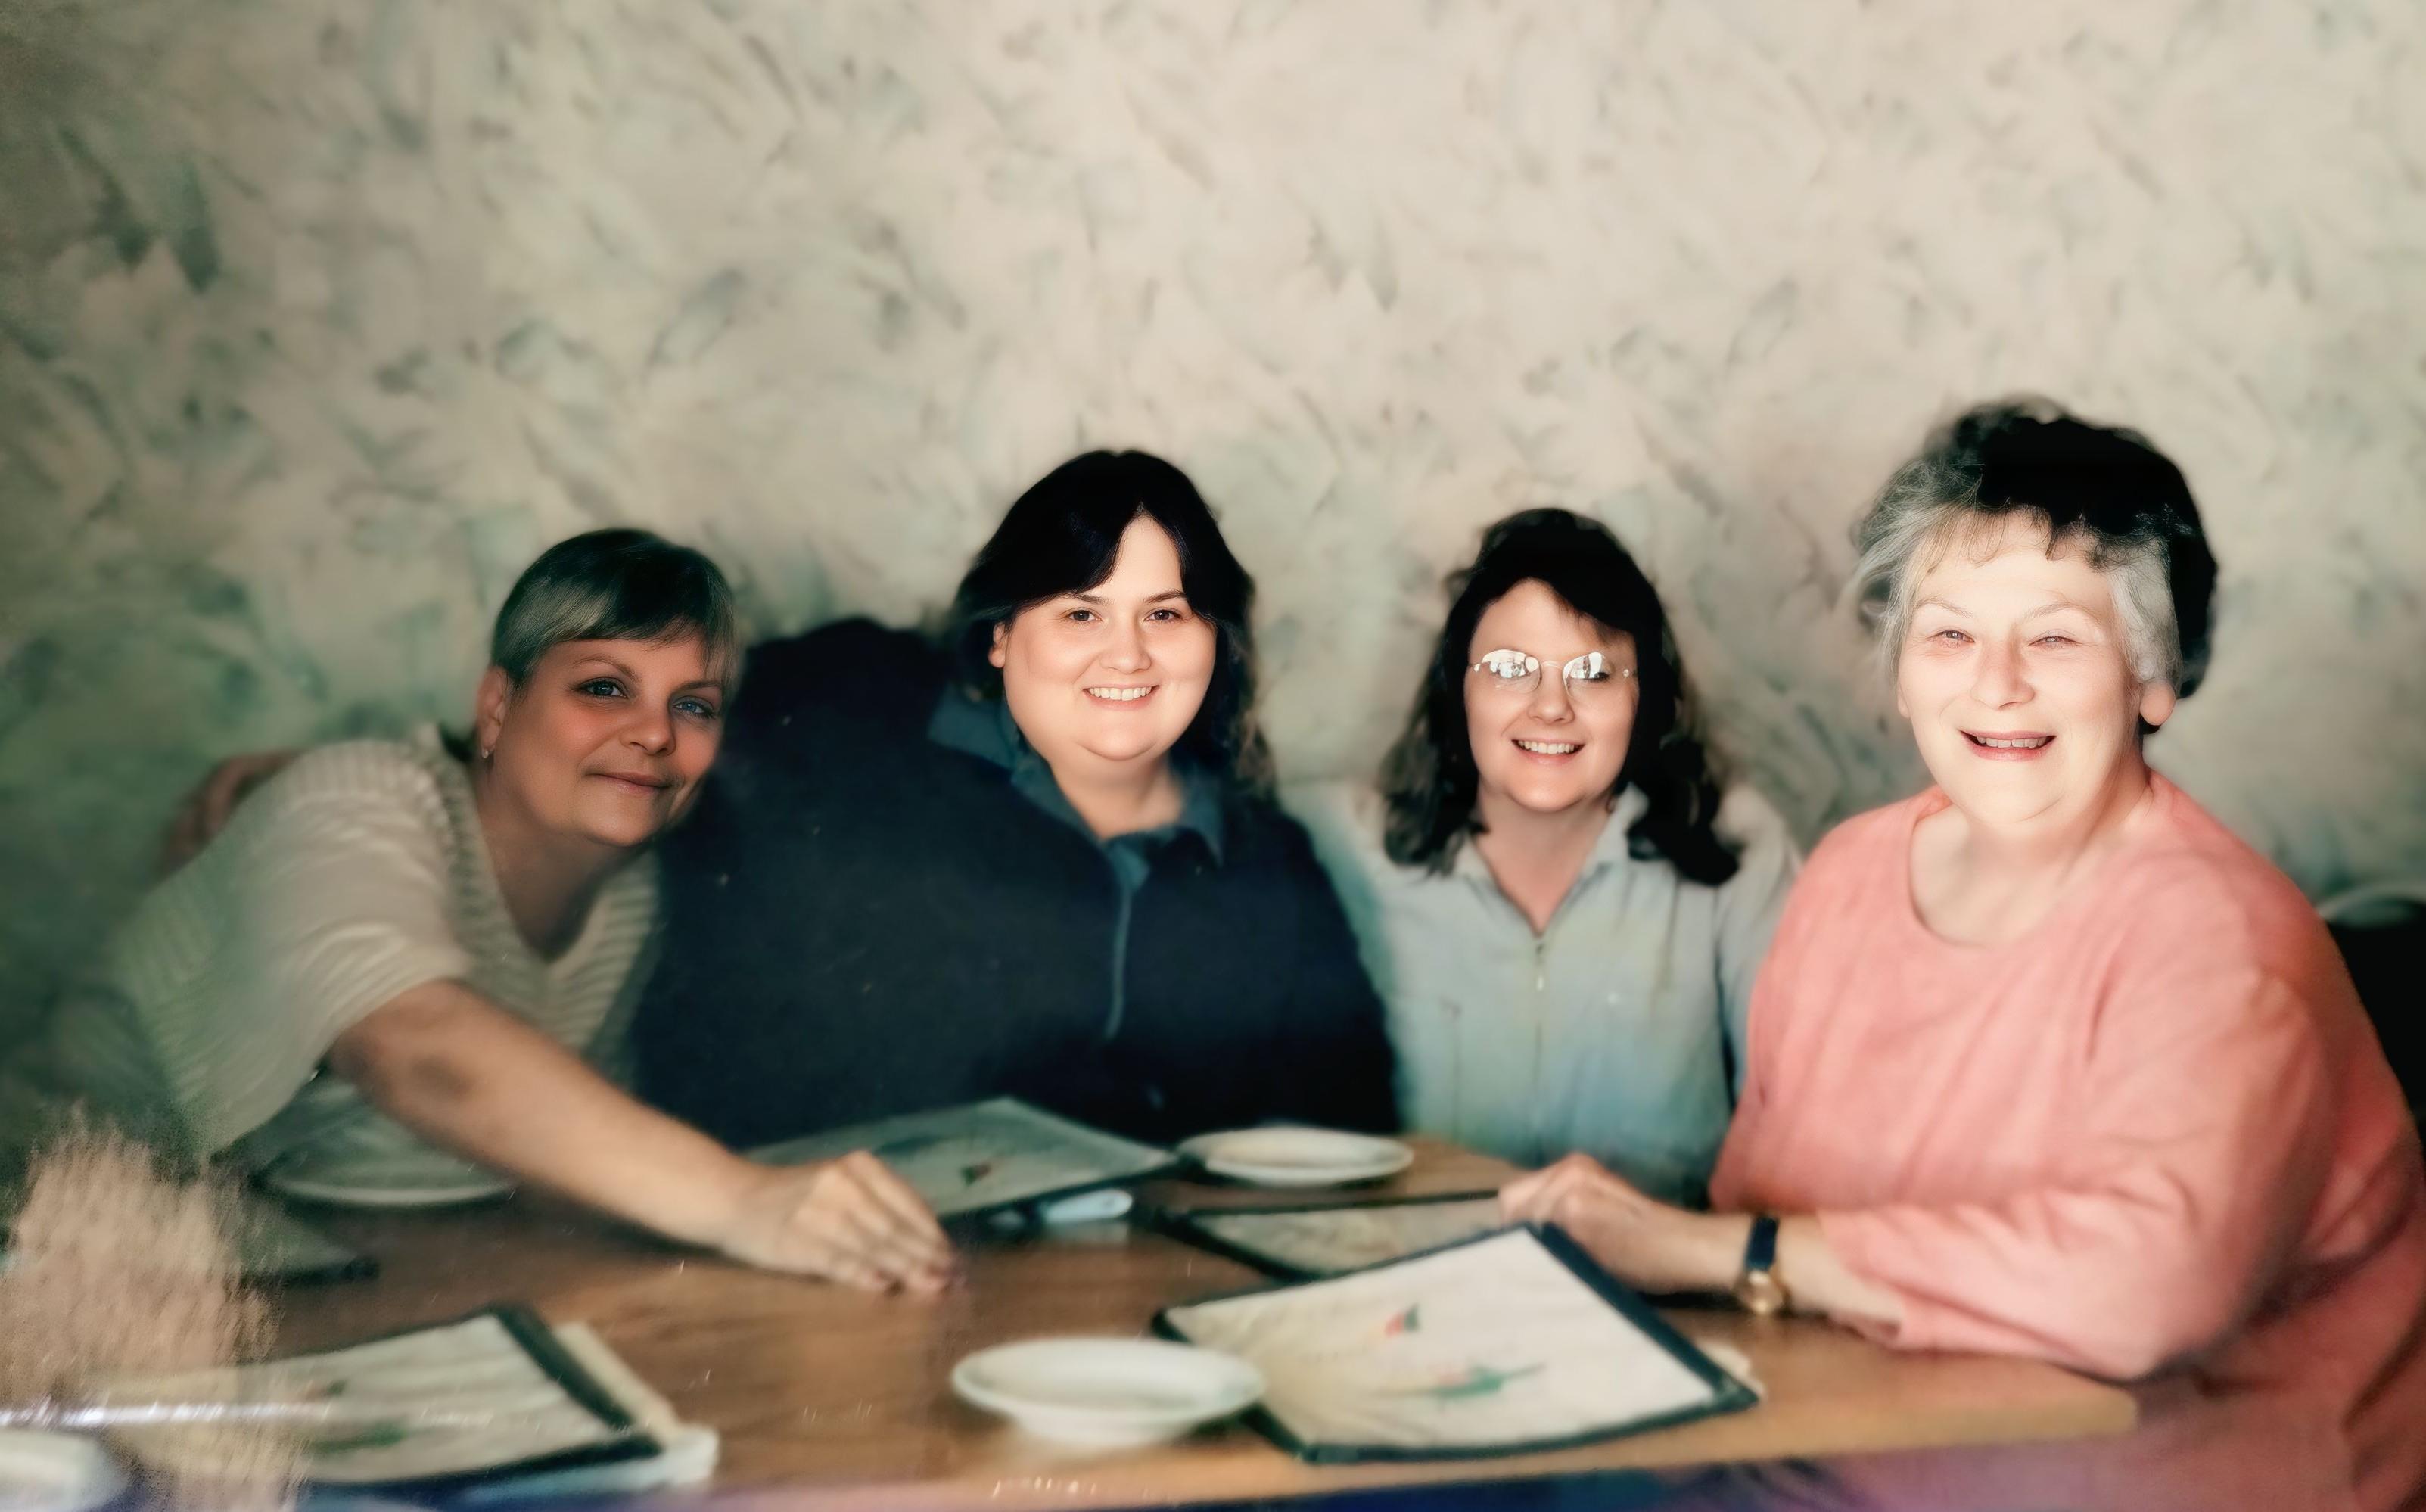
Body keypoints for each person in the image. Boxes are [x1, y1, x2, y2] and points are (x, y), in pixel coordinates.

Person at [1498, 402, 2426, 1511]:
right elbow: (1763, 1216)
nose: (1994, 682)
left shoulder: (2222, 936)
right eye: (1946, 634)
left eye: (2054, 636)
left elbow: (2138, 1288)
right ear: (1898, 671)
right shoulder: (1846, 875)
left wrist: (1723, 1250)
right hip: (1822, 1469)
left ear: (2152, 680)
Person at [4, 530, 953, 1293]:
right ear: (496, 708)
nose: (655, 733)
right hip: (41, 1244)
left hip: (302, 1276)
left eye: (694, 706)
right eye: (603, 688)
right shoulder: (360, 798)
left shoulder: (644, 890)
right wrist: (743, 1202)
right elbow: (413, 1046)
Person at [630, 450, 1394, 1146]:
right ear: (999, 635)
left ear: (1215, 642)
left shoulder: (1267, 860)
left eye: (1164, 614)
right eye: (1079, 613)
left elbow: (1350, 1134)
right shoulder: (850, 716)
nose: (1126, 654)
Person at [1290, 510, 1795, 1206]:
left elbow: (1802, 1124)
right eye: (1509, 669)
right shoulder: (1343, 846)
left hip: (1664, 1293)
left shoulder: (1735, 846)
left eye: (1592, 672)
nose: (1551, 707)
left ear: (1644, 693)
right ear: (1458, 688)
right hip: (1418, 1291)